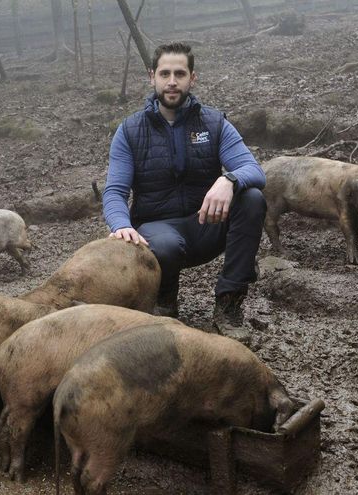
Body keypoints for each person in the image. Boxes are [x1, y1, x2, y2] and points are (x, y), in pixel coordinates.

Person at [102, 41, 266, 344]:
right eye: (165, 74)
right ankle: (165, 300)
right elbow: (114, 191)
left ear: (193, 78)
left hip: (206, 224)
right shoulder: (129, 130)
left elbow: (254, 170)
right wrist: (121, 225)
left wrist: (228, 180)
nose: (172, 81)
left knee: (252, 198)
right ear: (152, 77)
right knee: (164, 245)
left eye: (180, 73)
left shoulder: (215, 123)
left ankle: (228, 305)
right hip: (156, 231)